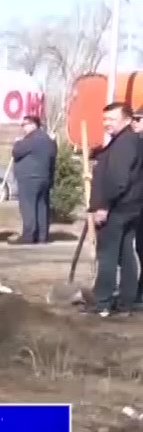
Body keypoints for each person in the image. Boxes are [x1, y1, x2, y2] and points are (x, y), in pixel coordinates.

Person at [87, 101, 143, 317]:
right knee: (125, 254)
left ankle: (102, 302)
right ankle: (126, 302)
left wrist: (103, 206)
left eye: (112, 119)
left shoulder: (125, 143)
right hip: (130, 207)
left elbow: (119, 179)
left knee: (108, 255)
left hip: (118, 208)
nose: (106, 123)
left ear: (127, 120)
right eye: (105, 119)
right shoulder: (129, 141)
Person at [9, 112, 56, 245]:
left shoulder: (31, 139)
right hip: (44, 177)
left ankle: (28, 236)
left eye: (25, 125)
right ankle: (42, 236)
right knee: (42, 206)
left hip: (29, 178)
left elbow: (16, 153)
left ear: (33, 124)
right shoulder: (48, 140)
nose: (23, 128)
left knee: (28, 207)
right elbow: (53, 159)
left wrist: (17, 143)